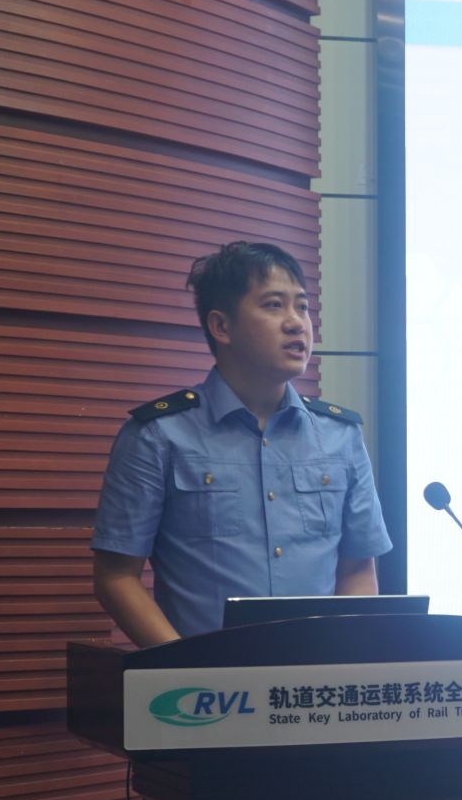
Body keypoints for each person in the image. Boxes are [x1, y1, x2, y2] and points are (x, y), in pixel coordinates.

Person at [91, 241, 390, 646]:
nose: (297, 323)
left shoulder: (341, 435)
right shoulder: (157, 435)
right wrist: (182, 667)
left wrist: (341, 656)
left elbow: (357, 569)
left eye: (302, 307)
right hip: (204, 678)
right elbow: (116, 576)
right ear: (221, 326)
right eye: (274, 305)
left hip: (317, 676)